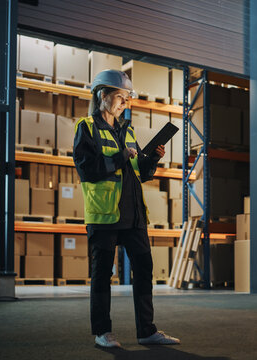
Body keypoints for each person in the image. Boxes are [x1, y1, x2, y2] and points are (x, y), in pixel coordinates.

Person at [73, 69, 179, 348]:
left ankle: (147, 330)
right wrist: (121, 157)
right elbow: (89, 170)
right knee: (102, 275)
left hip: (134, 216)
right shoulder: (87, 127)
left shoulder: (127, 129)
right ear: (102, 96)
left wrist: (151, 159)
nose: (125, 102)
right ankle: (102, 333)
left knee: (144, 269)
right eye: (120, 97)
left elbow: (138, 173)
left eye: (127, 98)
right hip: (105, 215)